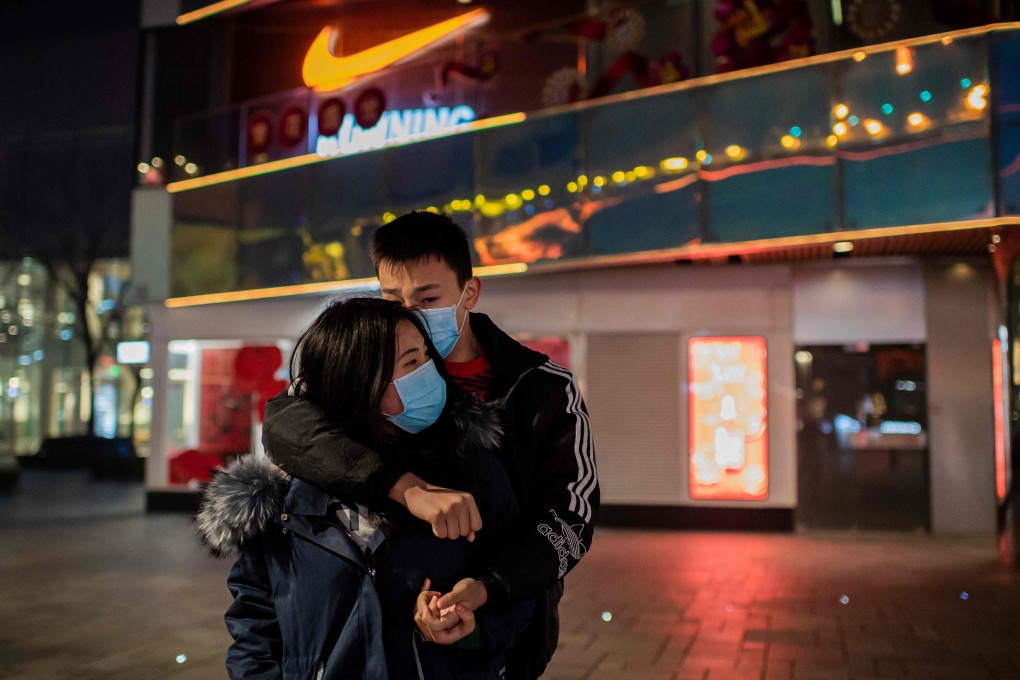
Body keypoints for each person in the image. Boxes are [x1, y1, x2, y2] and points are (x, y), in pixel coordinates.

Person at [263, 211, 599, 678]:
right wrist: (403, 487)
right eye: (392, 298)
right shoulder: (360, 371)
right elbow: (286, 423)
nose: (408, 314)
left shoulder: (540, 388)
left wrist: (487, 588)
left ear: (469, 292)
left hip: (500, 628)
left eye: (427, 298)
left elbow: (568, 520)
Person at [198, 297, 531, 679]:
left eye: (425, 356)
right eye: (410, 363)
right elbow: (254, 620)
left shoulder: (474, 471)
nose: (429, 372)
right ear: (357, 384)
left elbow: (517, 596)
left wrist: (466, 631)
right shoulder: (286, 501)